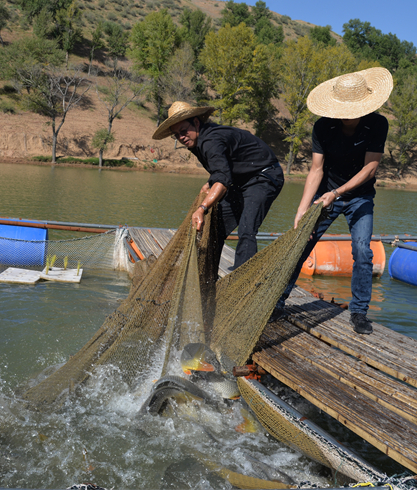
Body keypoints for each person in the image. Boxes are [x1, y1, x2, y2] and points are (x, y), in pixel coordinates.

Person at [275, 67, 393, 335]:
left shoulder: (377, 124)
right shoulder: (323, 126)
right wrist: (302, 210)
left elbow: (370, 169)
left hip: (359, 197)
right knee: (301, 243)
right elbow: (316, 170)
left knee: (363, 251)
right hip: (326, 196)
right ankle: (278, 301)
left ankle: (359, 312)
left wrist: (337, 193)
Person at [152, 102, 284, 270]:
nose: (181, 137)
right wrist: (209, 183)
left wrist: (202, 208)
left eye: (184, 131)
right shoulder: (197, 141)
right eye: (176, 135)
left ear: (197, 123)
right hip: (240, 181)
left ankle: (241, 283)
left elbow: (222, 180)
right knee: (216, 228)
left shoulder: (210, 140)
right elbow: (222, 169)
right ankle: (208, 279)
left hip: (264, 176)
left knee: (246, 228)